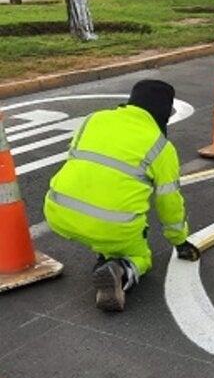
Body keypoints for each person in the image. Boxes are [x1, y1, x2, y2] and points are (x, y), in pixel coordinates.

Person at [44, 79, 200, 312]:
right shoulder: (160, 147)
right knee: (142, 256)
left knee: (103, 207)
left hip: (58, 213)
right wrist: (179, 241)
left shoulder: (93, 120)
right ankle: (122, 269)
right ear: (164, 113)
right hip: (112, 227)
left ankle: (105, 253)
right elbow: (169, 203)